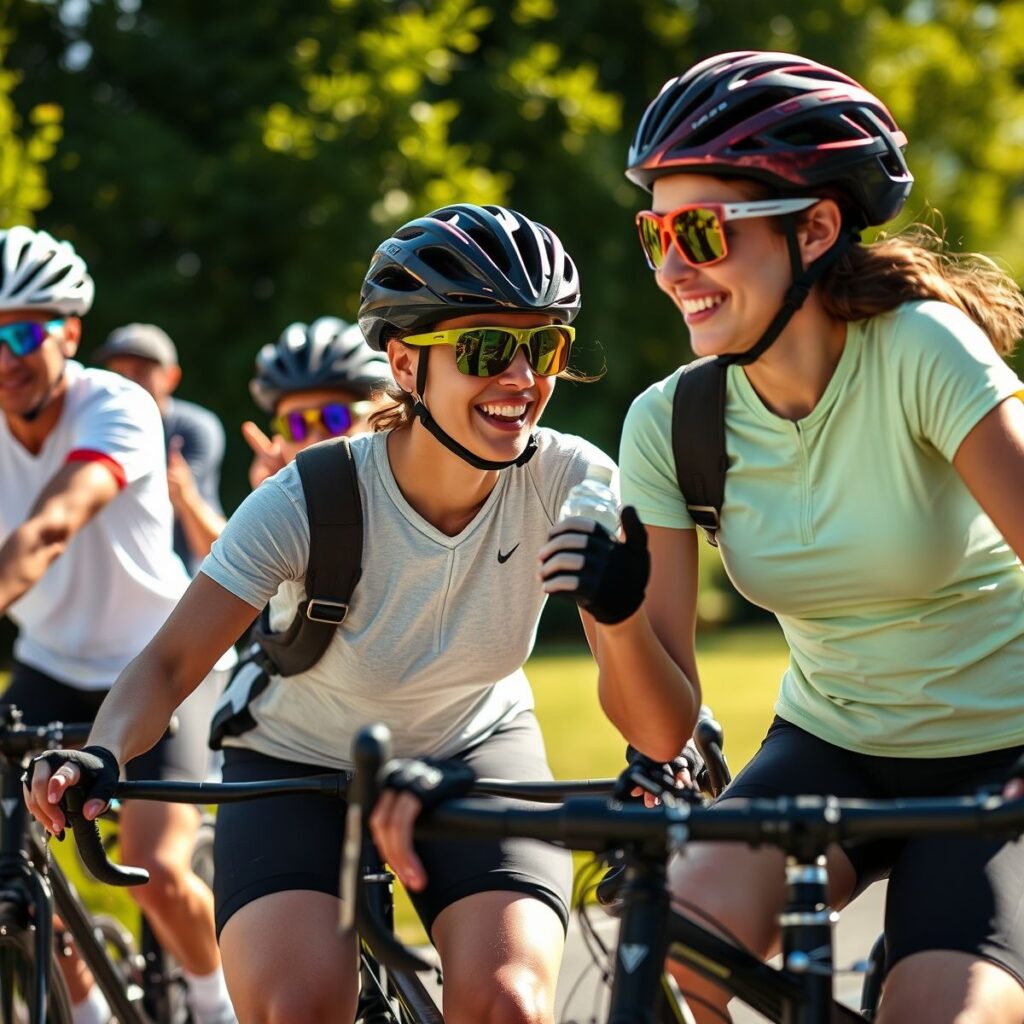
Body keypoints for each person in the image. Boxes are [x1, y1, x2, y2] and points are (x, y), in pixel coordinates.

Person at [25, 203, 620, 1024]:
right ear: (406, 368)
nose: (520, 378)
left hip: (474, 745)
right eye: (486, 349)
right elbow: (168, 664)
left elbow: (633, 659)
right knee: (300, 1009)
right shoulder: (307, 500)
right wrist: (101, 751)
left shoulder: (569, 479)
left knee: (511, 1004)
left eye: (542, 346)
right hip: (296, 760)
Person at [539, 50, 1024, 1023]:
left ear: (815, 227)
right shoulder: (671, 423)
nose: (673, 269)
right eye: (655, 235)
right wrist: (617, 615)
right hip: (833, 740)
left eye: (701, 231)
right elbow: (664, 730)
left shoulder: (921, 350)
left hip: (1000, 749)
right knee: (673, 937)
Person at [0, 227, 236, 1024]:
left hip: (160, 658)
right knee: (14, 861)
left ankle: (215, 1003)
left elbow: (50, 529)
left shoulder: (118, 404)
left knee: (152, 866)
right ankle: (91, 1006)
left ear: (69, 332)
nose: (5, 356)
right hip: (49, 661)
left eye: (22, 331)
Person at [161, 316, 392, 566]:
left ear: (378, 415)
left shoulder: (419, 506)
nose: (315, 440)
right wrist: (271, 501)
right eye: (295, 424)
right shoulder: (282, 501)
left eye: (335, 418)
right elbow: (232, 570)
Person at [94, 322, 226, 575]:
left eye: (141, 372)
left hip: (190, 577)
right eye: (119, 374)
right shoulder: (97, 427)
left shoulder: (194, 428)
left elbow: (168, 506)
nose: (129, 384)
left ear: (171, 377)